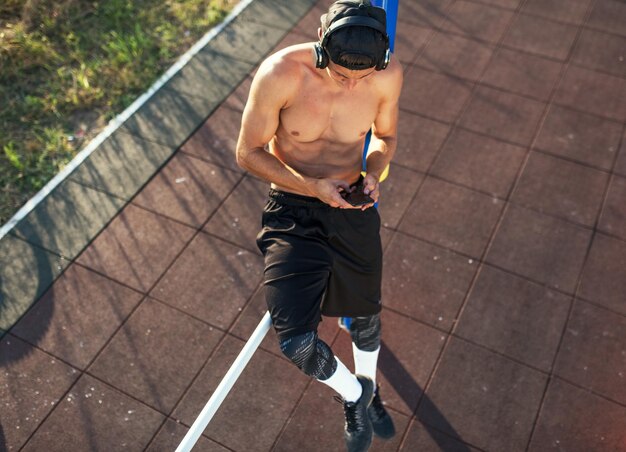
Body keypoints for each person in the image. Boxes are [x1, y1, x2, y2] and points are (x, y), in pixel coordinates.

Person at [236, 1, 402, 450]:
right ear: (321, 43)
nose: (351, 84)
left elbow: (384, 137)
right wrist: (311, 187)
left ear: (380, 61)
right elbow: (247, 152)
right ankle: (356, 395)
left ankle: (371, 394)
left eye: (361, 77)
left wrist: (374, 168)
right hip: (293, 206)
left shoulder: (387, 76)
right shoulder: (280, 73)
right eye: (340, 74)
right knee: (297, 343)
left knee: (366, 318)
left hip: (352, 203)